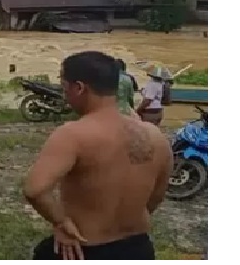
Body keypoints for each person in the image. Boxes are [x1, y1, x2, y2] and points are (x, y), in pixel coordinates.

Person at [23, 51, 173, 260]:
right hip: (138, 248)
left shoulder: (73, 134)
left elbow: (35, 190)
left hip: (83, 249)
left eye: (64, 86)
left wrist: (61, 222)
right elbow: (157, 195)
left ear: (79, 88)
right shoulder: (155, 135)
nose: (64, 93)